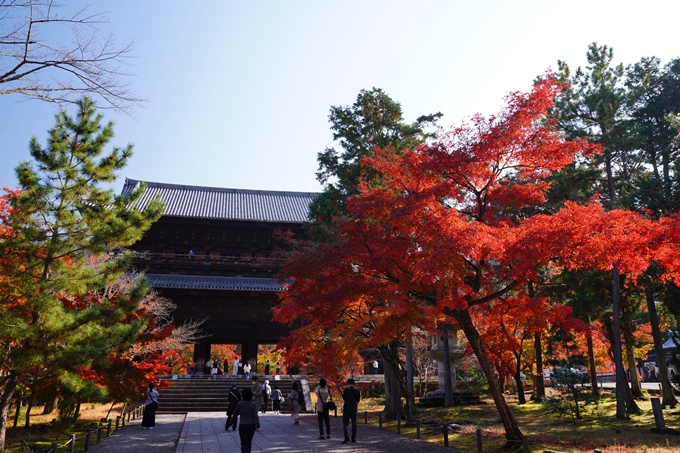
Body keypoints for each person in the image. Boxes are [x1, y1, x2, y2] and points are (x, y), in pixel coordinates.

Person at [233, 388, 260, 453]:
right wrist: (257, 424)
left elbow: (235, 414)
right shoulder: (253, 404)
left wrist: (232, 422)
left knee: (244, 442)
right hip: (251, 425)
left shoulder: (239, 404)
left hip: (243, 424)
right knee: (249, 441)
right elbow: (255, 415)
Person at [342, 378, 360, 443]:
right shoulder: (357, 390)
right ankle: (353, 438)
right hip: (354, 408)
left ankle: (346, 437)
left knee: (345, 423)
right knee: (354, 423)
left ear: (348, 383)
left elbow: (344, 398)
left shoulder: (346, 390)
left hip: (347, 407)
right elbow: (358, 400)